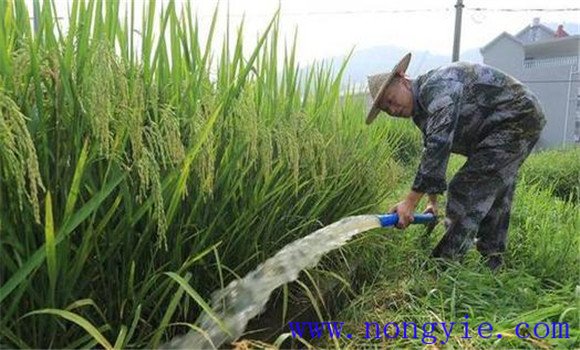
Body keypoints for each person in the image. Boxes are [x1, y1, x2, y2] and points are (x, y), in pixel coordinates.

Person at [366, 53, 546, 270]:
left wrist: (410, 202)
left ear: (403, 79)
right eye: (386, 110)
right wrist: (431, 202)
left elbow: (439, 145)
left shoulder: (436, 87)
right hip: (501, 126)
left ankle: (444, 267)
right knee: (495, 190)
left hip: (516, 116)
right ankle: (492, 261)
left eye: (391, 100)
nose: (393, 110)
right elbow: (431, 150)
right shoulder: (420, 111)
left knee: (466, 188)